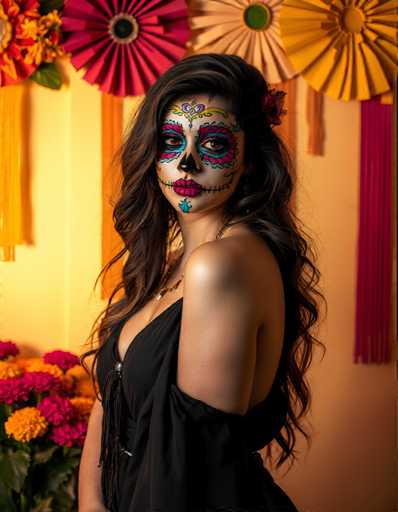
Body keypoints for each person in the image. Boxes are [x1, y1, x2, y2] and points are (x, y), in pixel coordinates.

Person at [78, 53, 326, 512]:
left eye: (213, 144)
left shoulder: (220, 265)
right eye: (171, 141)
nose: (186, 163)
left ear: (250, 158)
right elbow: (109, 406)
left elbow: (188, 467)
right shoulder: (170, 262)